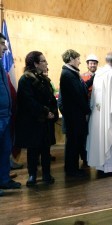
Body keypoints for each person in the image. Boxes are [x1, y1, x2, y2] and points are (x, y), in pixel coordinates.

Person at [15, 51, 58, 186]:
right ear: (35, 63)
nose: (46, 63)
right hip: (32, 121)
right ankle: (32, 175)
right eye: (44, 61)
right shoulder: (25, 80)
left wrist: (52, 112)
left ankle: (46, 174)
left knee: (46, 150)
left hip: (45, 121)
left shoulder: (44, 79)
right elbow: (28, 101)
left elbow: (51, 98)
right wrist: (45, 112)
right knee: (33, 150)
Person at [60, 49, 90, 177]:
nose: (79, 61)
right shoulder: (68, 74)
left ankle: (72, 168)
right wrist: (88, 110)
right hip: (74, 116)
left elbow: (81, 88)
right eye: (78, 59)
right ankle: (72, 169)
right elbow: (77, 95)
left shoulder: (72, 73)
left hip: (75, 115)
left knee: (75, 142)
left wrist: (93, 79)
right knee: (73, 143)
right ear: (71, 59)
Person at [0, 33, 21, 194]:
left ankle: (4, 180)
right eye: (2, 44)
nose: (5, 48)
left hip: (5, 116)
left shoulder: (1, 65)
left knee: (5, 149)